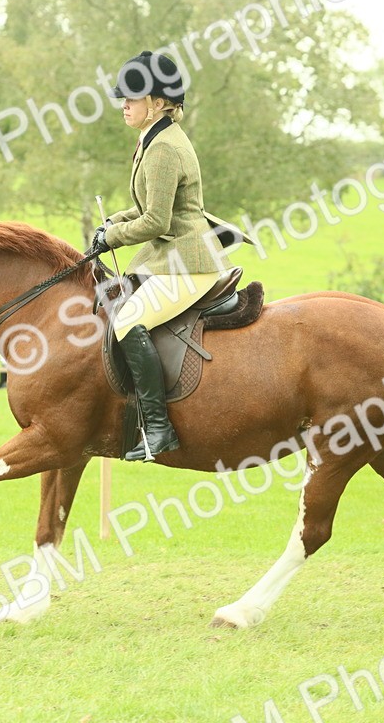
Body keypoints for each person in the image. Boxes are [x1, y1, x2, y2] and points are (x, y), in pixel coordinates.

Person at [90, 50, 252, 462]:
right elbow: (145, 207)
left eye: (132, 96)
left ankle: (158, 430)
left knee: (127, 321)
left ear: (159, 103)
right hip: (171, 257)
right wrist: (111, 222)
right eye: (123, 96)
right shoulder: (154, 139)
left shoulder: (163, 148)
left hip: (188, 263)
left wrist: (113, 238)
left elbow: (156, 223)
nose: (123, 104)